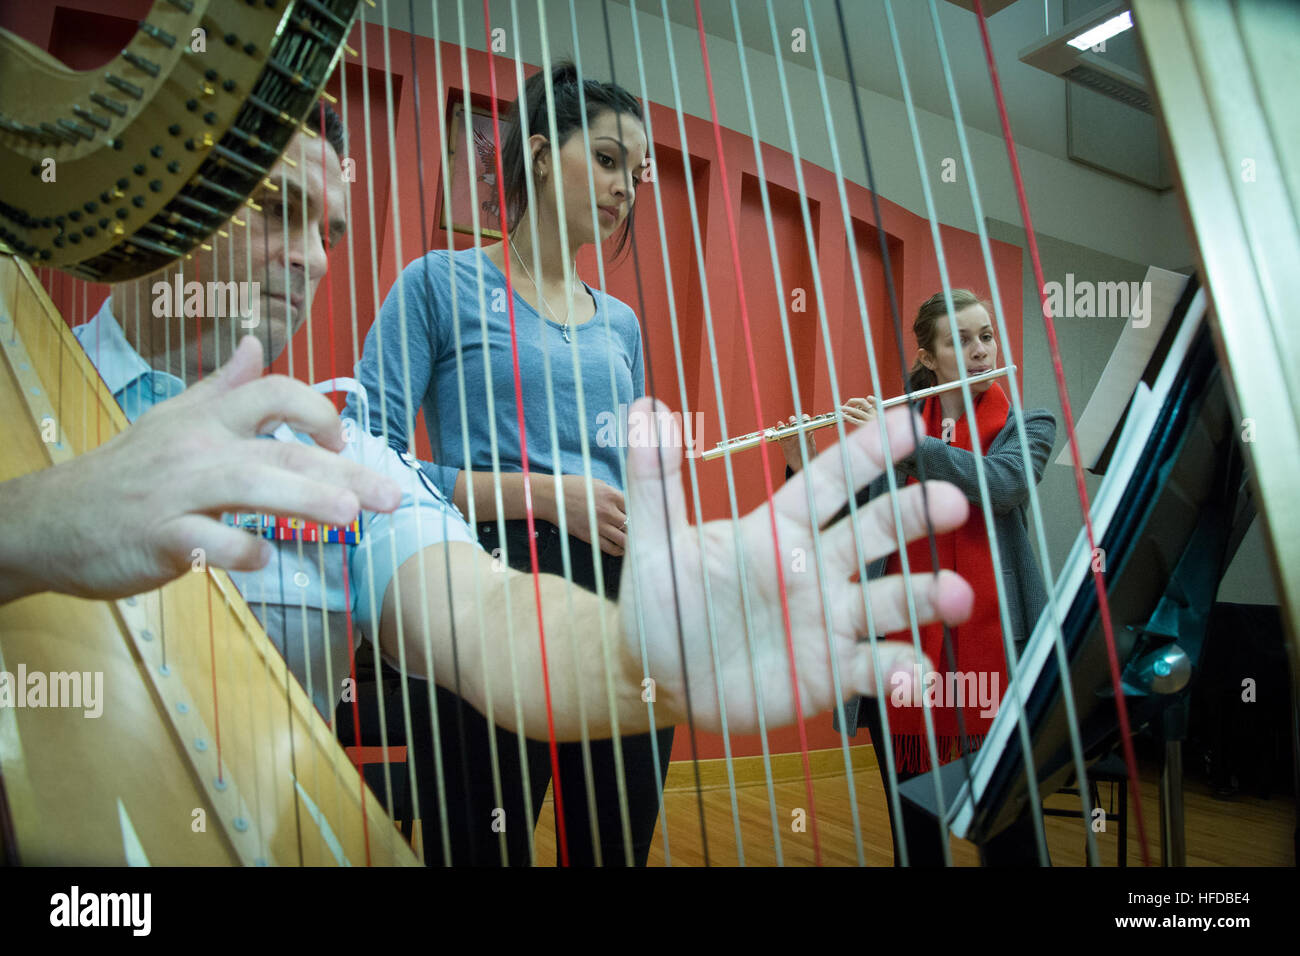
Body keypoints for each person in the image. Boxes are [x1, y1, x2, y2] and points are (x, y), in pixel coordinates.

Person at [350, 61, 674, 866]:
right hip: (485, 590)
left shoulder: (622, 324)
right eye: (607, 159)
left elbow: (633, 471)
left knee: (613, 846)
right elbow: (370, 458)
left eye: (635, 173)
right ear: (538, 154)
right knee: (477, 847)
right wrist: (549, 496)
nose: (625, 188)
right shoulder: (437, 284)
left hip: (624, 603)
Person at [780, 289, 1057, 865]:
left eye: (986, 336)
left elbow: (1003, 484)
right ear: (928, 358)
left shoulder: (1028, 425)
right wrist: (802, 462)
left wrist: (908, 447)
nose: (981, 350)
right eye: (961, 340)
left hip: (1000, 658)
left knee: (1012, 840)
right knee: (915, 837)